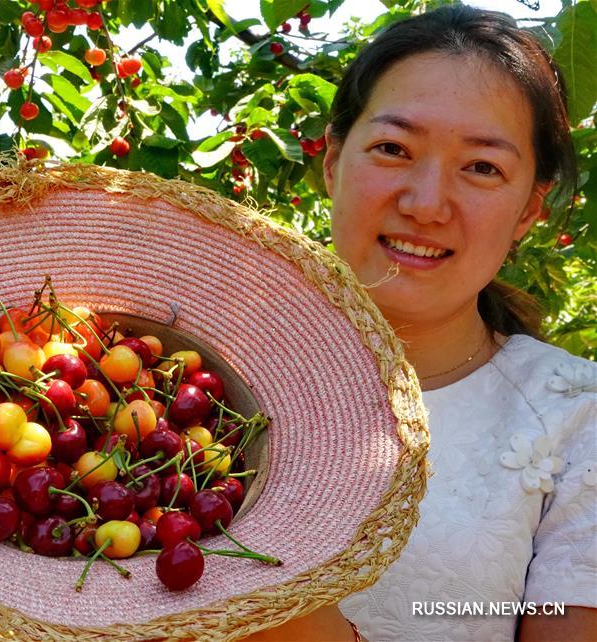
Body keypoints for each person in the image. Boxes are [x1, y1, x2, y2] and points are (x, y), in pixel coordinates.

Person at [241, 5, 596, 641]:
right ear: (332, 162)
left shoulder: (579, 420)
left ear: (527, 213)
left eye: (483, 167)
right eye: (393, 148)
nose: (426, 203)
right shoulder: (195, 366)